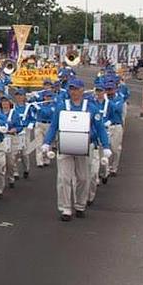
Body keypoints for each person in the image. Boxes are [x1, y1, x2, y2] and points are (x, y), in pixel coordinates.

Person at [41, 79, 111, 221]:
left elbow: (100, 128)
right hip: (65, 146)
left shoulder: (91, 107)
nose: (73, 92)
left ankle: (80, 205)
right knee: (64, 178)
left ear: (82, 90)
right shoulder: (62, 106)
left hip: (85, 147)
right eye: (71, 89)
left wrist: (106, 146)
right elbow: (54, 126)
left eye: (76, 89)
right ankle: (65, 208)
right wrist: (47, 142)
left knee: (83, 178)